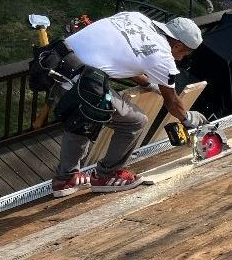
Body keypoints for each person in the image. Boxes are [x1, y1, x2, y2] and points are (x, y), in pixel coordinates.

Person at [51, 11, 205, 196]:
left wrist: (149, 84)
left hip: (55, 63)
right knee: (134, 121)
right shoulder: (162, 56)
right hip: (78, 82)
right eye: (183, 54)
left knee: (84, 115)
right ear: (178, 45)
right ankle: (105, 176)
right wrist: (188, 119)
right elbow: (171, 101)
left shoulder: (135, 18)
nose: (180, 59)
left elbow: (126, 57)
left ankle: (65, 179)